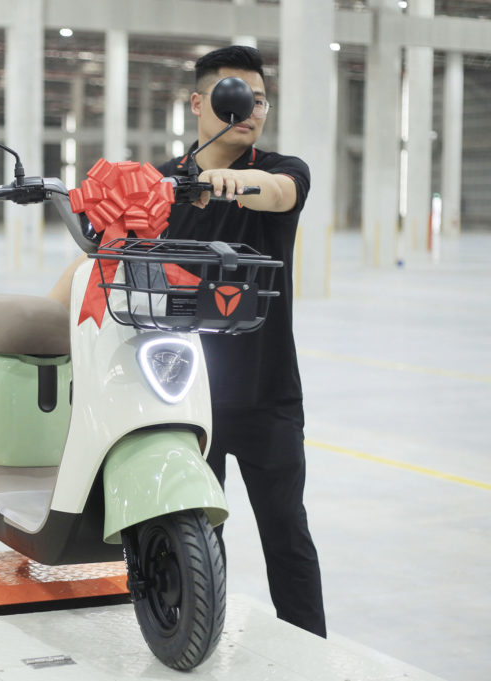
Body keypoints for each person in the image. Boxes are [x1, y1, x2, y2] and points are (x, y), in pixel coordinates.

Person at [158, 45, 326, 637]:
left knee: (287, 534)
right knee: (196, 543)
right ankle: (199, 644)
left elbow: (277, 191)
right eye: (235, 98)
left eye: (258, 101)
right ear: (198, 102)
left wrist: (232, 182)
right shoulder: (161, 184)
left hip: (267, 394)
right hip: (183, 398)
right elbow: (101, 252)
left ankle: (310, 654)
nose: (249, 111)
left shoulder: (282, 169)